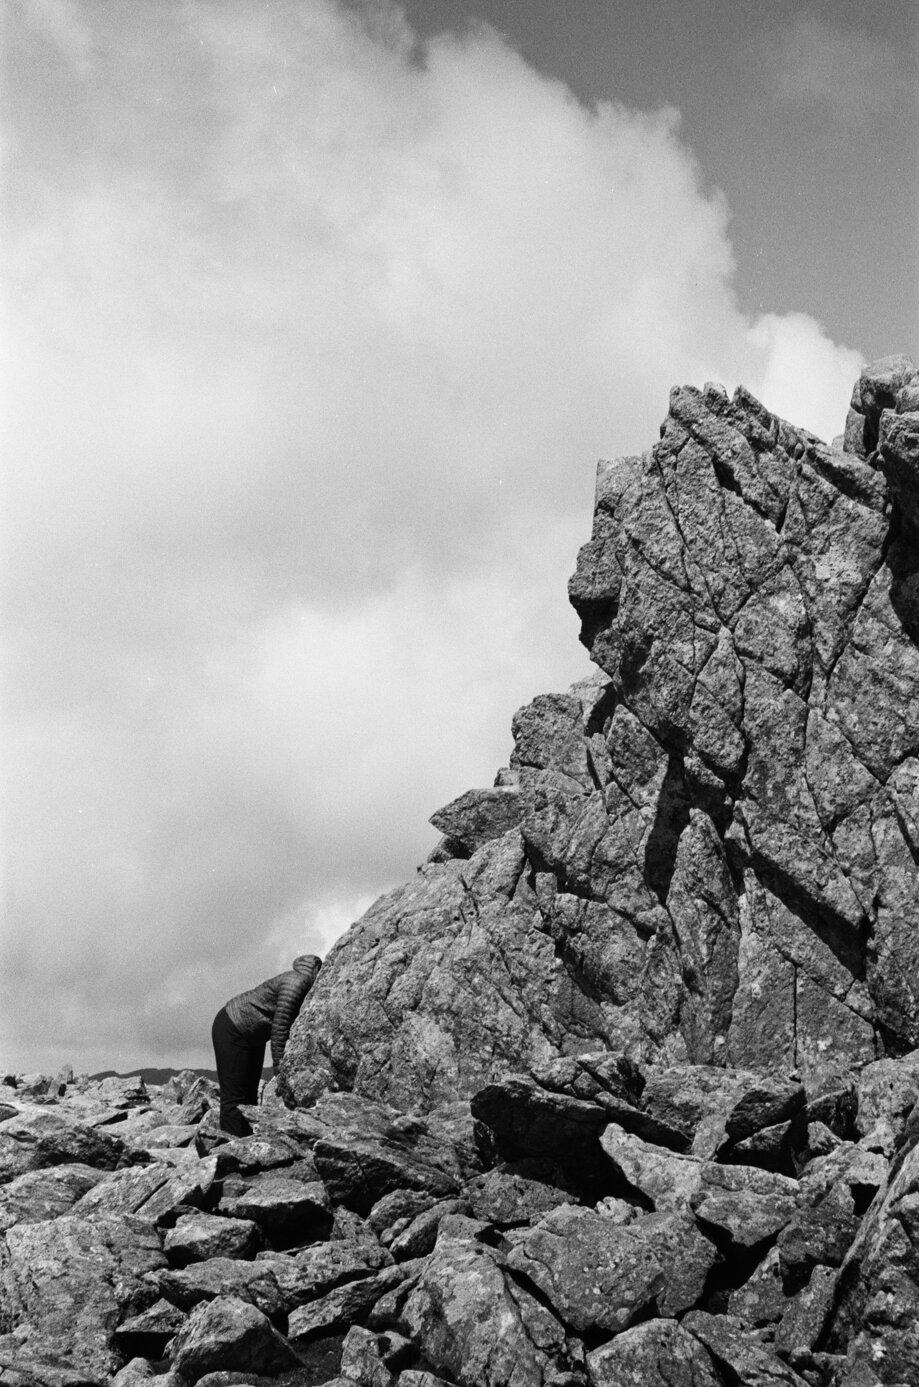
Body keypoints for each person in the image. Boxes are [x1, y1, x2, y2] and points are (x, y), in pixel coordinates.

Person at [211, 953, 321, 1136]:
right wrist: (280, 1071)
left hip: (252, 1034)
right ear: (315, 969)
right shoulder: (296, 983)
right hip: (232, 1027)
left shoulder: (298, 982)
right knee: (234, 1098)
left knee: (249, 1098)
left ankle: (246, 1146)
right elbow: (279, 1030)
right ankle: (230, 1149)